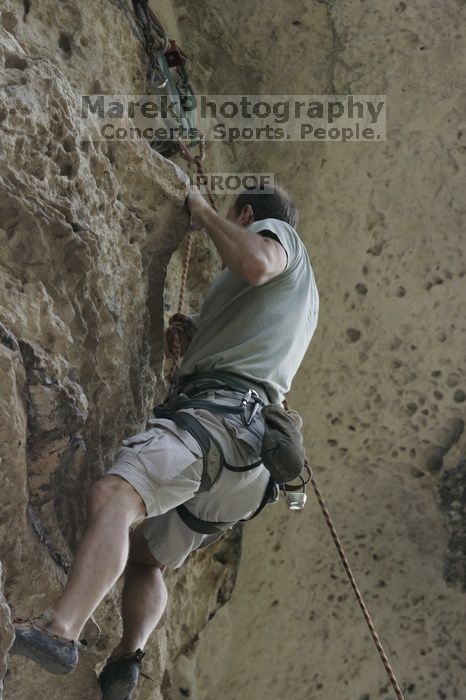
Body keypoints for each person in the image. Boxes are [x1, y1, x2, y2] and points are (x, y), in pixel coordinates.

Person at [10, 184, 319, 699]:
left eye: (233, 218)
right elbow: (250, 339)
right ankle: (126, 660)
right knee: (146, 557)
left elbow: (257, 263)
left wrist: (200, 211)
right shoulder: (300, 300)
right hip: (248, 465)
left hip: (217, 423)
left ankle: (59, 631)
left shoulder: (278, 238)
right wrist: (196, 339)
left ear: (246, 215)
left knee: (114, 498)